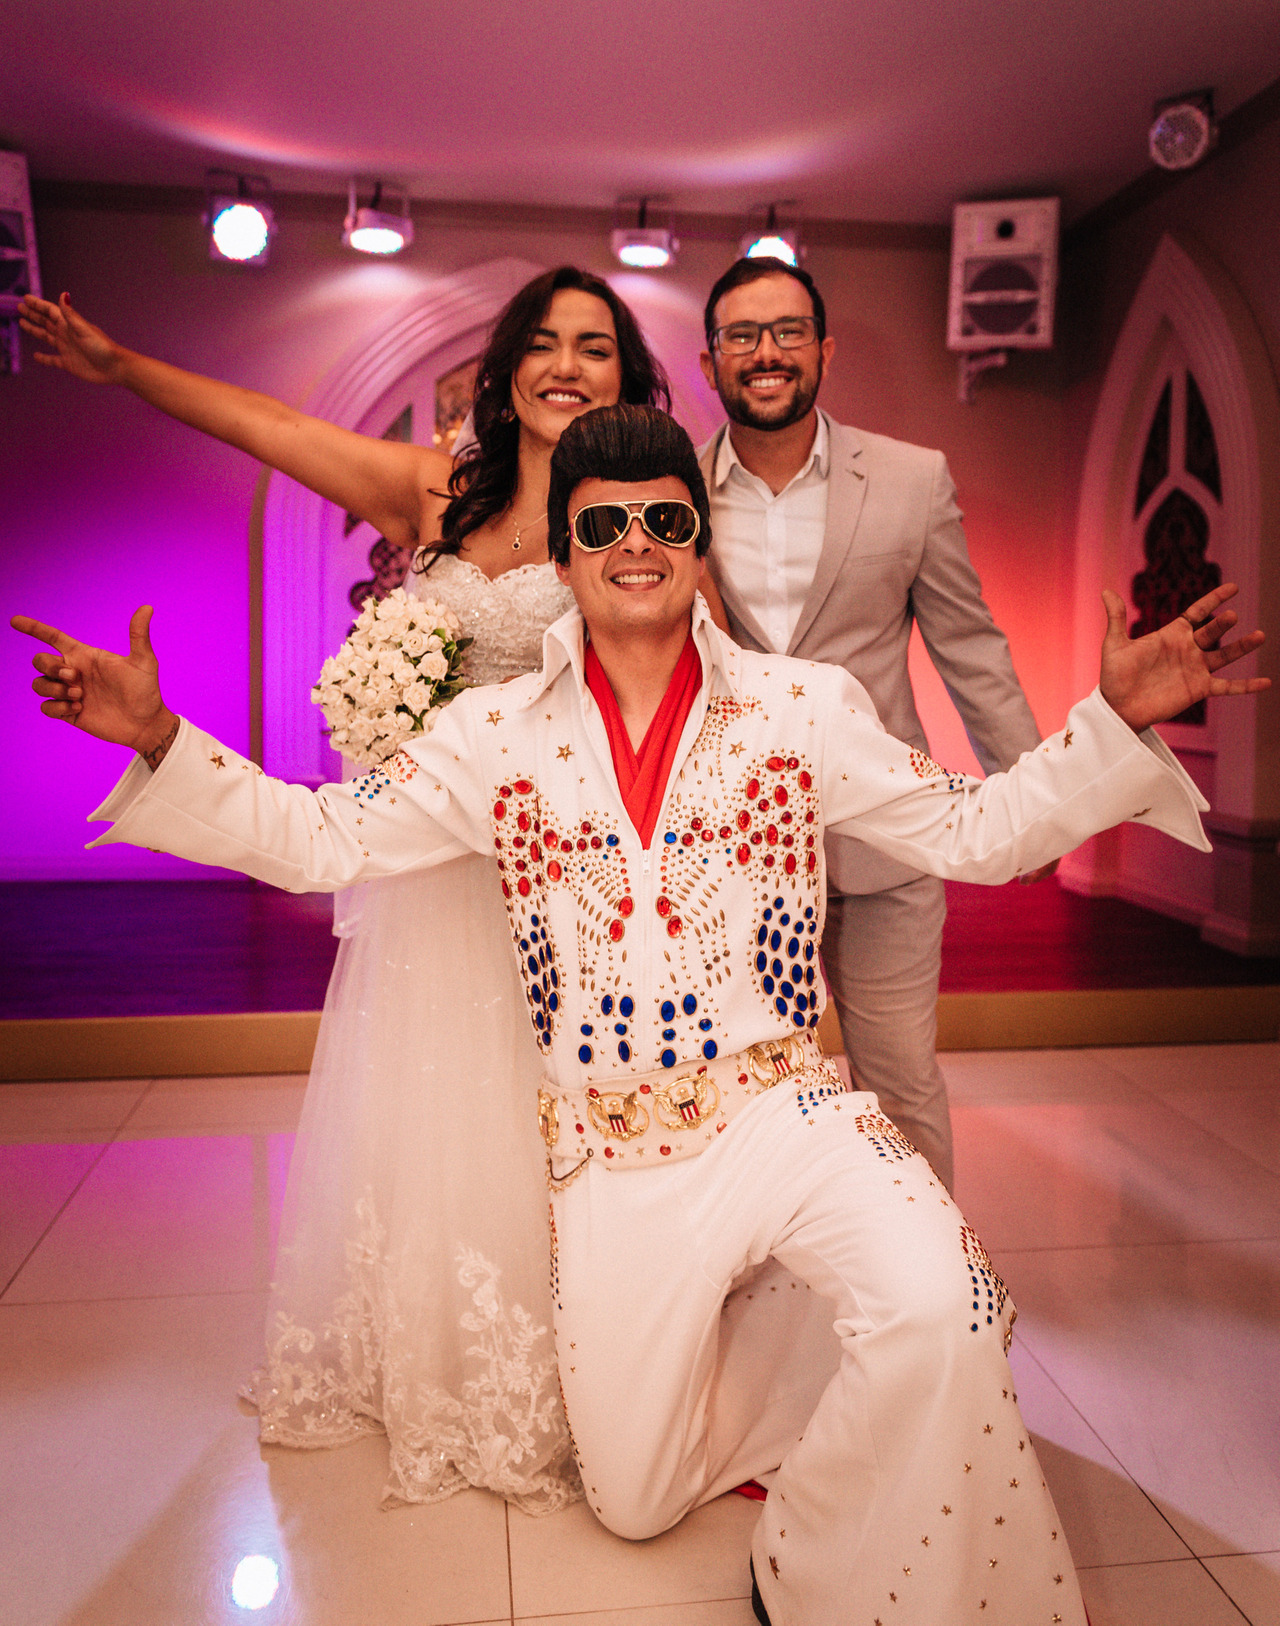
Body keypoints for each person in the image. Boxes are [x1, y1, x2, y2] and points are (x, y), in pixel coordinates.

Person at [16, 403, 1266, 1626]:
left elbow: (975, 831)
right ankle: (807, 1362)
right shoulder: (491, 737)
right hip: (611, 1157)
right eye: (601, 521)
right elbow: (322, 836)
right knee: (634, 1492)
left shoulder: (802, 707)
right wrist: (165, 740)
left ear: (697, 540)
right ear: (560, 555)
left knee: (943, 1300)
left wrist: (1111, 723)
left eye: (665, 518)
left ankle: (827, 1552)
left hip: (788, 1111)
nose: (634, 542)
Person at [19, 268, 729, 1512]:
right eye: (547, 344)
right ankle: (442, 1360)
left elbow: (708, 682)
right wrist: (124, 368)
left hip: (573, 880)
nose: (569, 365)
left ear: (626, 378)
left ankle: (590, 1365)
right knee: (438, 1107)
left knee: (566, 1113)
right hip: (429, 869)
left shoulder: (637, 517)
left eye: (597, 349)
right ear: (506, 369)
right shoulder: (437, 489)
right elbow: (272, 428)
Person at [698, 257, 1049, 1192]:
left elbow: (969, 646)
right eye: (742, 335)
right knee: (754, 1094)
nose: (766, 352)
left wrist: (1038, 799)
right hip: (729, 855)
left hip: (885, 846)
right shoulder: (672, 492)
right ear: (709, 362)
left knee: (898, 1082)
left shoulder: (910, 478)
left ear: (824, 349)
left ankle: (935, 1292)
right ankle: (778, 1299)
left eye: (787, 332)